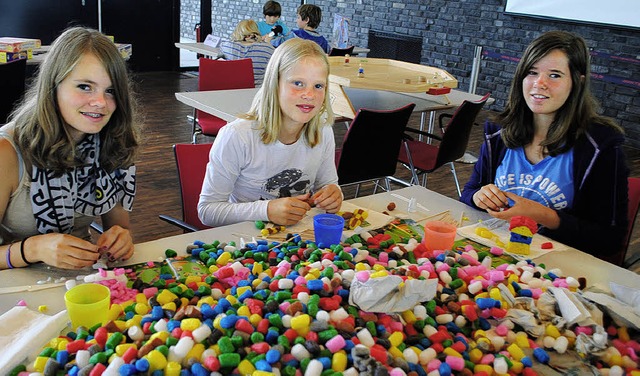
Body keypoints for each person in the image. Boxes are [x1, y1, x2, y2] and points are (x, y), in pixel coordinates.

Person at [460, 30, 629, 262]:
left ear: (577, 83)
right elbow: (469, 193)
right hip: (493, 256)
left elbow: (609, 239)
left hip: (555, 270)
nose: (539, 84)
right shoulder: (499, 133)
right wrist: (478, 196)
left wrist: (543, 215)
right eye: (532, 72)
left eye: (555, 75)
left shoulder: (601, 147)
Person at [0, 27, 141, 270]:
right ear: (53, 85)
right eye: (85, 86)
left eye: (110, 91)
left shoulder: (112, 139)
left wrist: (121, 239)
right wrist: (32, 248)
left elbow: (119, 228)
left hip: (77, 280)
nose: (100, 103)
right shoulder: (7, 151)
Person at [198, 38, 342, 227]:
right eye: (298, 83)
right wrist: (266, 210)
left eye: (318, 86)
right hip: (248, 241)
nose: (309, 95)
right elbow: (207, 211)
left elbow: (328, 185)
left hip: (300, 240)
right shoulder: (237, 136)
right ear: (275, 84)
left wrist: (333, 194)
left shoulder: (322, 132)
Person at [220, 19, 275, 87]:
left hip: (231, 89)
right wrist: (267, 43)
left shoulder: (226, 46)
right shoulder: (268, 49)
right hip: (257, 92)